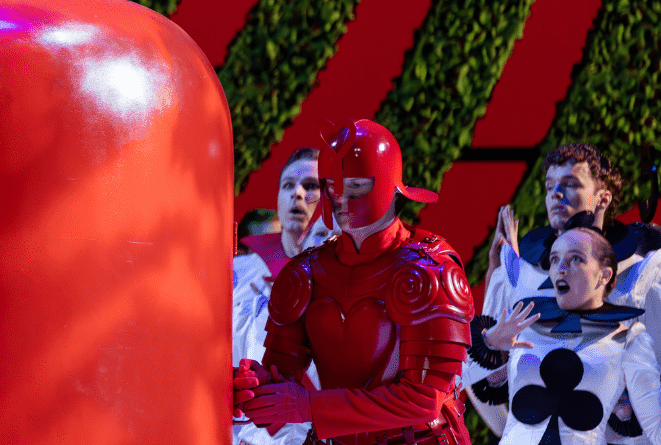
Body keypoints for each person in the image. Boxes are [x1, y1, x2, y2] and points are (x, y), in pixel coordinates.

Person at [233, 119, 473, 445]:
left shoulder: (429, 269)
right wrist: (253, 387)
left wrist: (305, 405)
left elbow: (423, 399)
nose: (342, 198)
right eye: (333, 186)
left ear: (389, 185)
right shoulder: (305, 272)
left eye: (357, 186)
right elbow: (281, 375)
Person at [467, 144, 661, 435]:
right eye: (549, 186)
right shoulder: (521, 276)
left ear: (603, 198)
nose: (556, 193)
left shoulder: (639, 276)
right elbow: (476, 375)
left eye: (570, 184)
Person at [472, 224, 661, 445]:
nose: (561, 268)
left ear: (605, 275)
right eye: (554, 259)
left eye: (575, 259)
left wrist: (624, 408)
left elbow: (653, 424)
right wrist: (489, 343)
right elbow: (462, 380)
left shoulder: (629, 340)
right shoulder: (528, 326)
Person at [232, 148, 332, 445]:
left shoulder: (353, 278)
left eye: (311, 186)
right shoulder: (236, 274)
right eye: (288, 186)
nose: (297, 194)